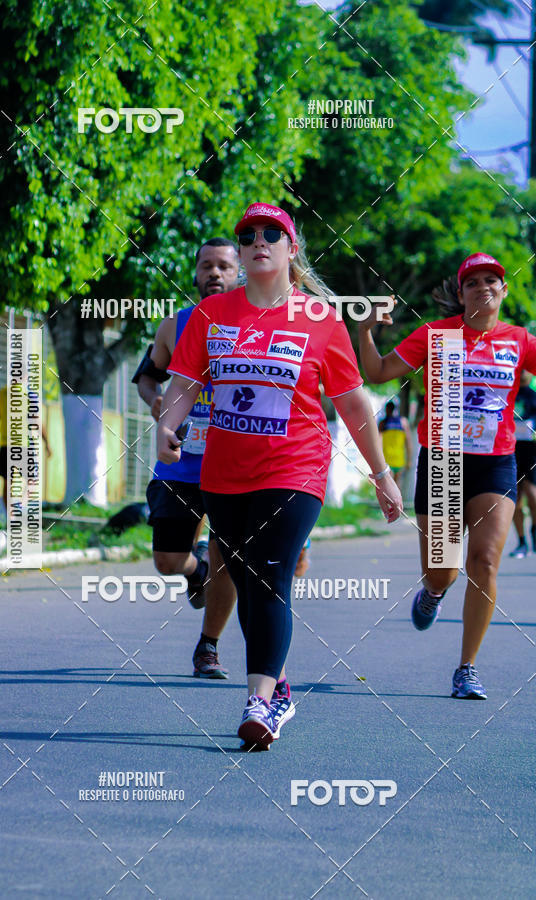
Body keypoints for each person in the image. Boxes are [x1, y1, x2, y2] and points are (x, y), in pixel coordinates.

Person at [157, 202, 402, 748]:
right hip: (222, 473)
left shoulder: (320, 318)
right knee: (245, 583)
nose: (258, 242)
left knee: (268, 577)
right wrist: (166, 427)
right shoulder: (210, 314)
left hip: (297, 467)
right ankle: (280, 683)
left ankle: (260, 704)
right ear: (241, 253)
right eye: (248, 236)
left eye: (272, 234)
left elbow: (354, 404)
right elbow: (184, 385)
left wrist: (381, 474)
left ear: (292, 251)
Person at [358, 252, 536, 699]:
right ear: (461, 293)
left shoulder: (519, 340)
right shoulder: (436, 335)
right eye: (472, 282)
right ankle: (432, 594)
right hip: (442, 463)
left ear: (504, 289)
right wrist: (364, 330)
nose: (482, 287)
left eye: (491, 280)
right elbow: (377, 372)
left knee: (486, 561)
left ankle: (466, 668)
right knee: (443, 572)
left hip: (495, 462)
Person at [135, 238, 239, 679]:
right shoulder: (173, 326)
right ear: (195, 274)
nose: (214, 273)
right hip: (180, 459)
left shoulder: (255, 327)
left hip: (237, 463)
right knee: (167, 561)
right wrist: (156, 400)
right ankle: (194, 571)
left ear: (240, 274)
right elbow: (147, 377)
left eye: (223, 266)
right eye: (206, 266)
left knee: (229, 556)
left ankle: (208, 646)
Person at [0, 385, 51, 509]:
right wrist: (47, 442)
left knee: (8, 482)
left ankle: (11, 515)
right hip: (24, 446)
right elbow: (36, 421)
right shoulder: (29, 394)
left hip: (5, 446)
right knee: (32, 480)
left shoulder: (1, 394)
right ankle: (20, 507)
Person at [509, 370, 536, 557]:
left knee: (532, 493)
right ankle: (521, 541)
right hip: (510, 449)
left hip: (531, 450)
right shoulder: (509, 393)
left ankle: (534, 531)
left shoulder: (533, 396)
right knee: (514, 497)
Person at [378, 400, 412, 488]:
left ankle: (391, 501)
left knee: (390, 486)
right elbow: (408, 442)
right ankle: (396, 502)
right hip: (399, 459)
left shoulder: (383, 423)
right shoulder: (403, 422)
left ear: (386, 409)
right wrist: (409, 459)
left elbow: (378, 442)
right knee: (397, 486)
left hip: (387, 459)